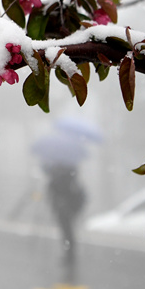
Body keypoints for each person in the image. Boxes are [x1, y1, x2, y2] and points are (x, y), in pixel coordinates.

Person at [31, 117, 101, 279]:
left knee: (66, 226)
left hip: (64, 199)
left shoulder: (54, 158)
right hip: (73, 198)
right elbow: (74, 178)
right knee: (68, 226)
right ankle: (70, 253)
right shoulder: (73, 154)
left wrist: (48, 168)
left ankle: (70, 254)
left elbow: (52, 178)